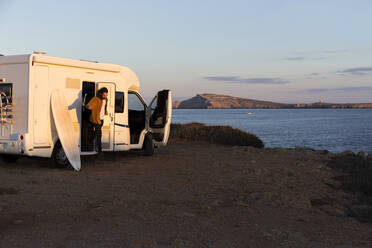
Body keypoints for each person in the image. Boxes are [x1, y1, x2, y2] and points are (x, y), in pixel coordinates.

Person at [86, 87, 108, 153]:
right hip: (96, 119)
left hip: (101, 119)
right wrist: (89, 107)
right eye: (104, 95)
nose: (105, 96)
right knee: (99, 135)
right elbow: (88, 105)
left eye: (106, 95)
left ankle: (90, 140)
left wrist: (105, 111)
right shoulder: (95, 99)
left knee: (96, 133)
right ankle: (100, 151)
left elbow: (104, 107)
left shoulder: (106, 99)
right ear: (100, 93)